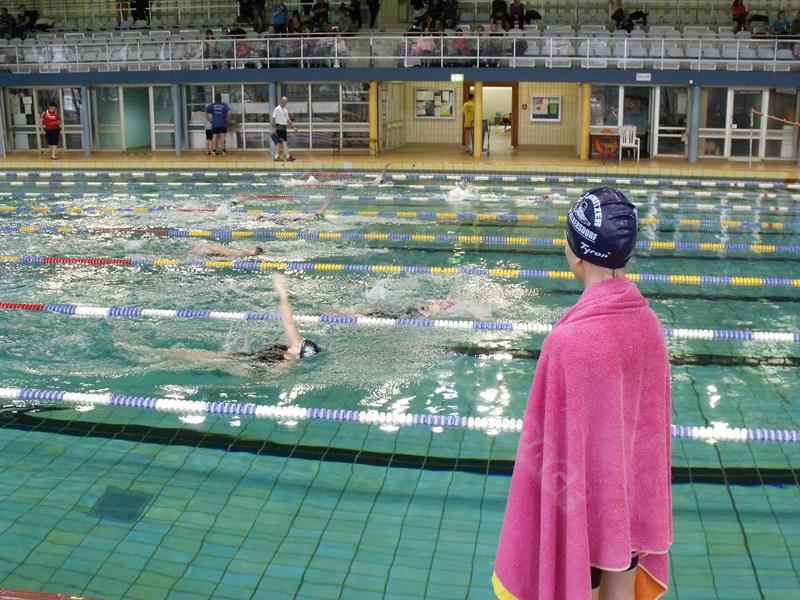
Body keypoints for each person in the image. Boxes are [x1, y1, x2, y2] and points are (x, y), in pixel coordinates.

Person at [493, 187, 672, 600]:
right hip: (628, 502)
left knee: (579, 585)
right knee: (621, 586)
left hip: (580, 508)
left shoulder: (568, 342)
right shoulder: (649, 326)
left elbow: (545, 445)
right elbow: (649, 433)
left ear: (575, 254)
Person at [272, 95, 299, 162]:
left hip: (284, 128)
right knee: (284, 142)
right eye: (283, 101)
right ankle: (287, 156)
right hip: (279, 127)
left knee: (279, 143)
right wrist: (273, 128)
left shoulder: (285, 110)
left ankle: (276, 157)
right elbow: (273, 119)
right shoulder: (277, 109)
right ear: (281, 101)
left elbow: (288, 120)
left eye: (286, 101)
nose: (284, 102)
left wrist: (293, 127)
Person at [190, 241, 264, 257]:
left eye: (252, 249)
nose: (249, 248)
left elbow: (223, 251)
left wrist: (205, 245)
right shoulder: (239, 253)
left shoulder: (239, 255)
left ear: (253, 254)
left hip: (211, 254)